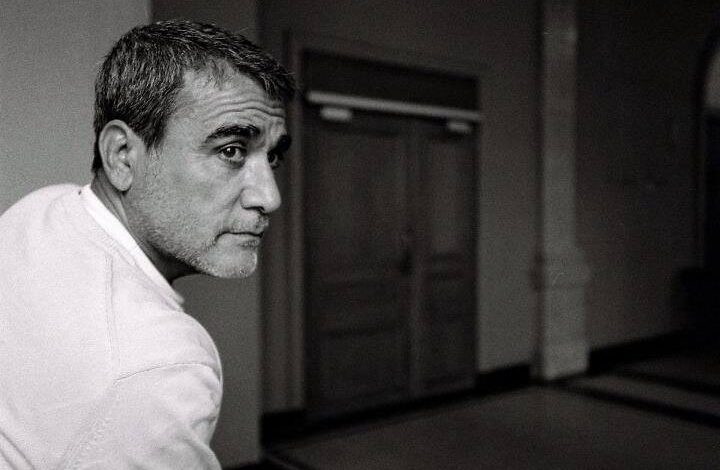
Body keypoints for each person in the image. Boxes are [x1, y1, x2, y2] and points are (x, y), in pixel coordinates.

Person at [0, 20, 295, 469]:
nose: (269, 197)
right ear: (122, 156)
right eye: (231, 150)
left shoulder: (44, 208)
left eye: (271, 156)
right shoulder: (160, 366)